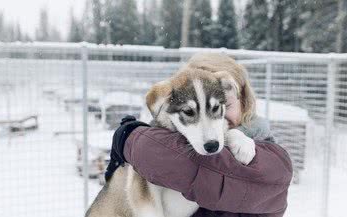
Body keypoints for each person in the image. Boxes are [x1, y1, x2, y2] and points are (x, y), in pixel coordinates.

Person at [107, 54, 293, 217]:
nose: (211, 129)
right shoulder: (176, 135)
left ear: (244, 101)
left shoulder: (274, 159)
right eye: (191, 112)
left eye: (220, 107)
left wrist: (129, 140)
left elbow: (195, 166)